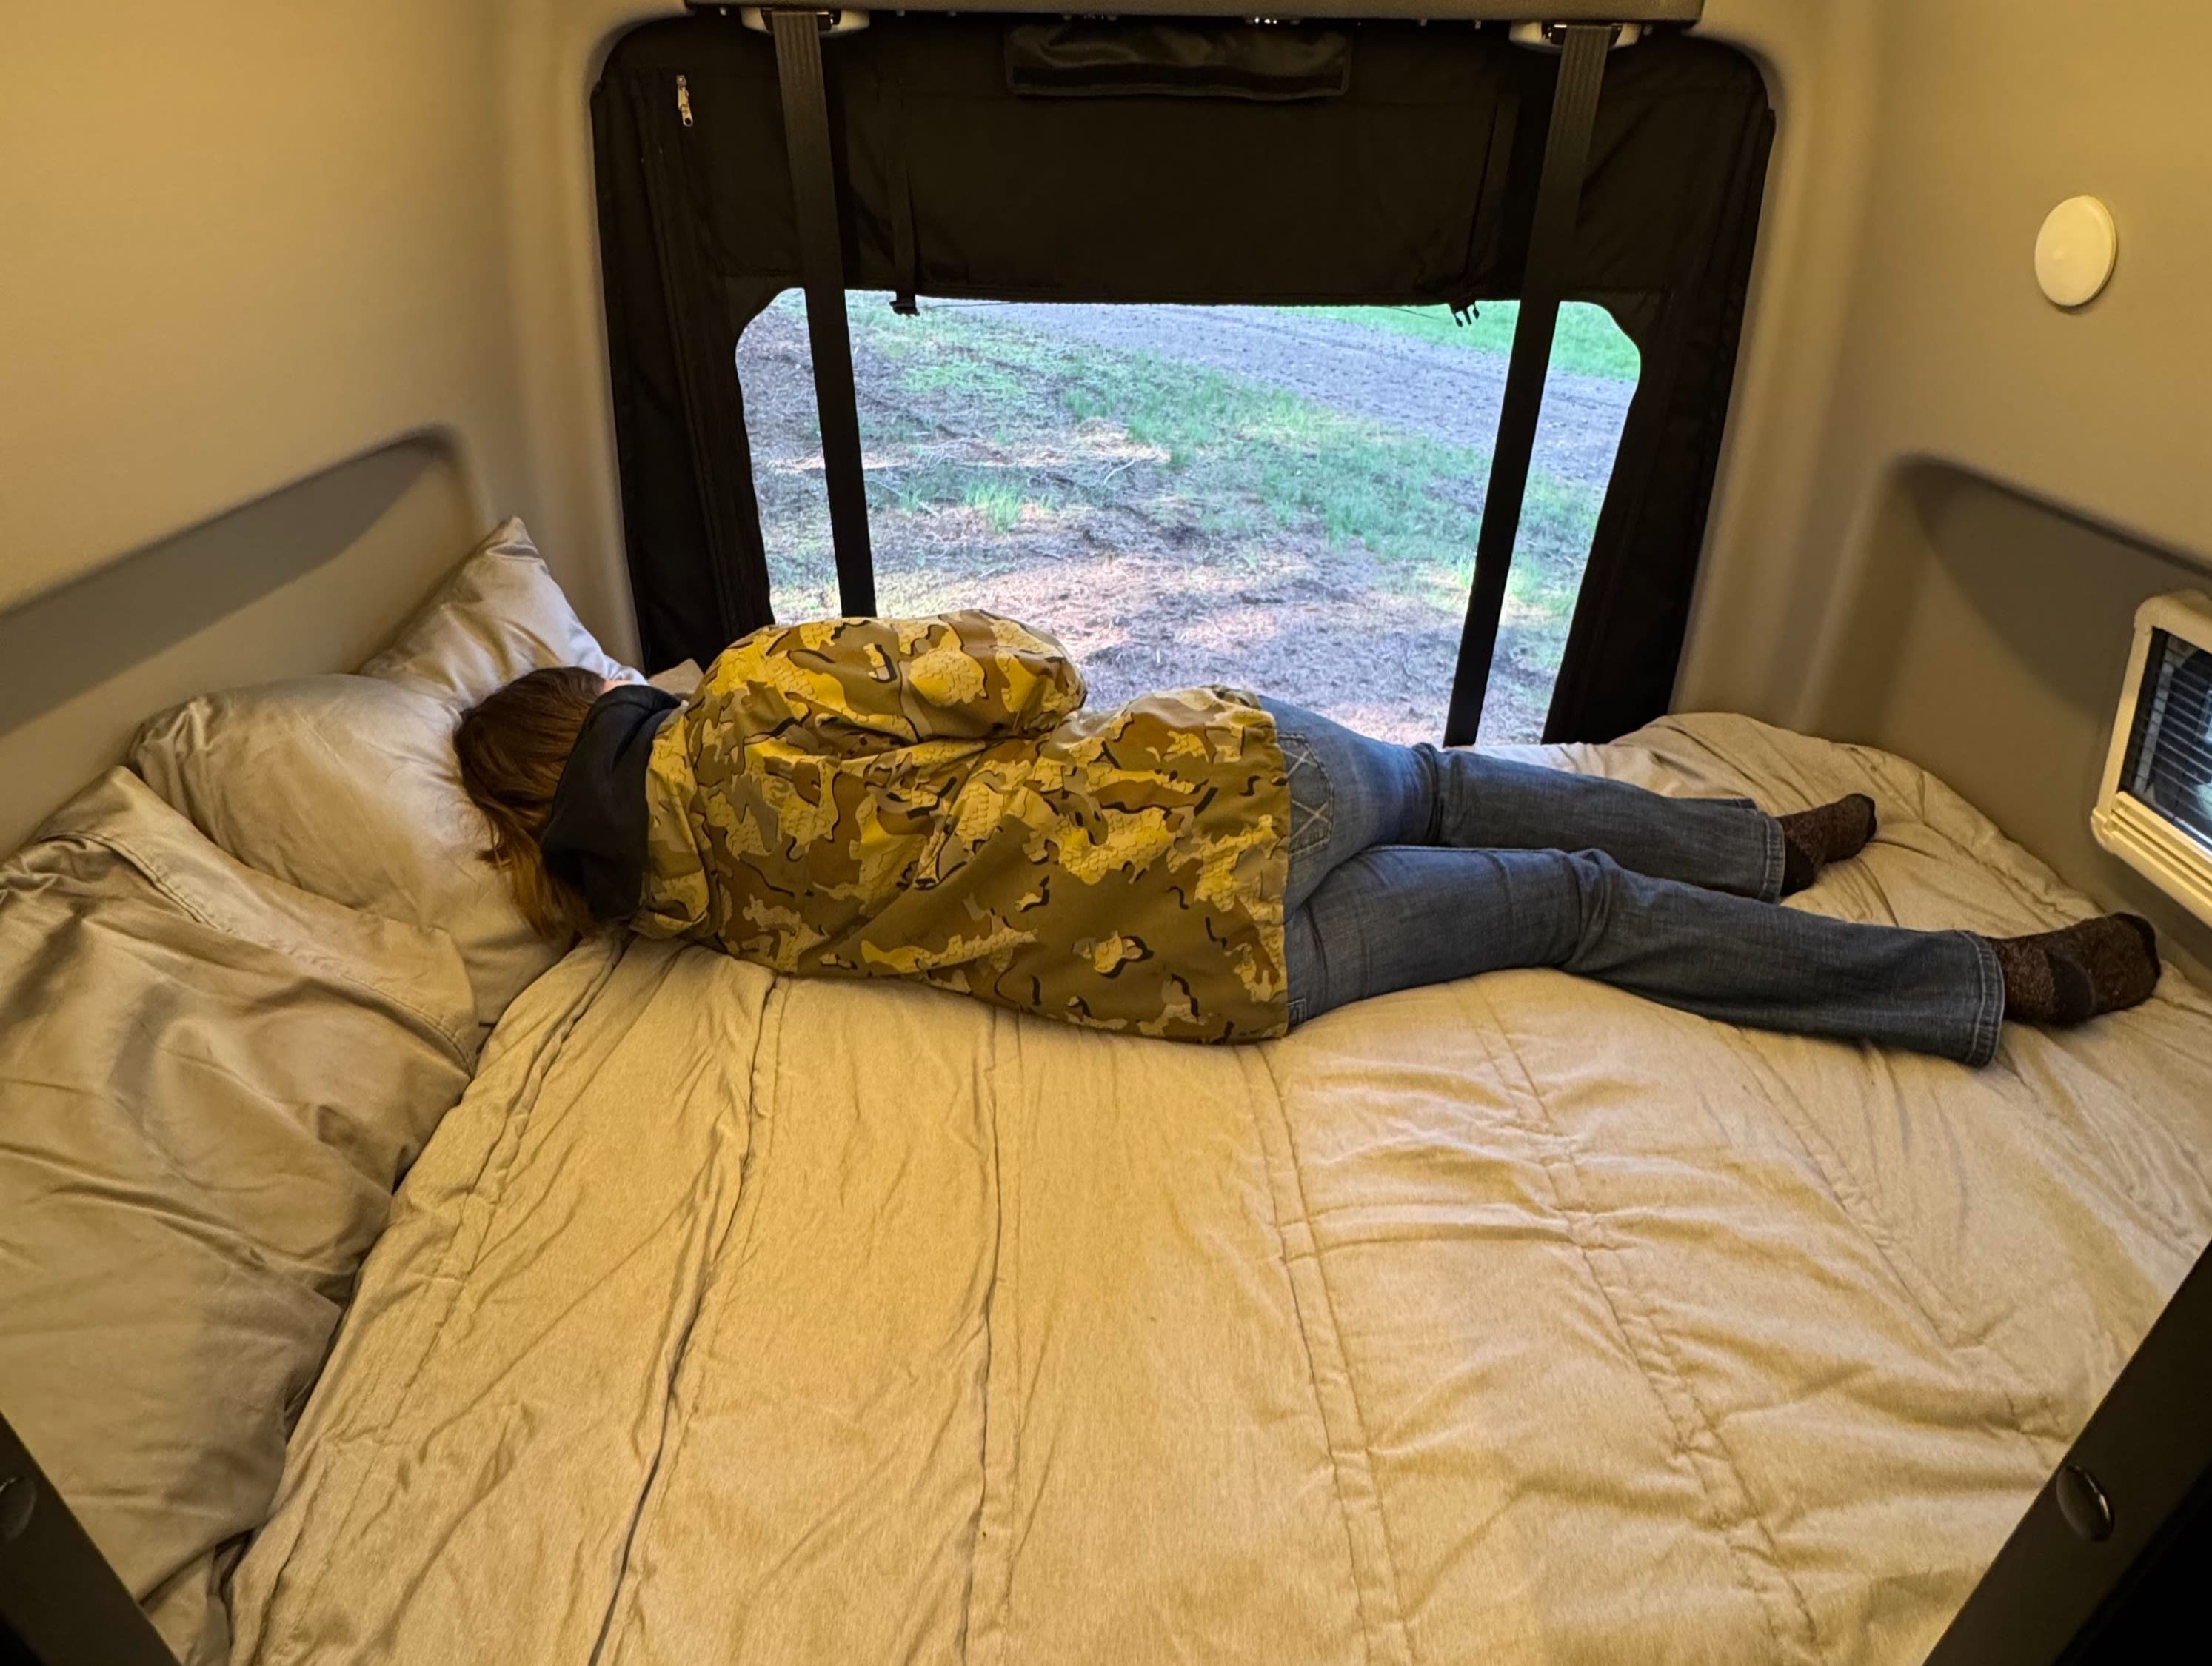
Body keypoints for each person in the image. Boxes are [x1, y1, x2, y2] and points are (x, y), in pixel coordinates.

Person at [452, 611, 2159, 1063]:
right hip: (1227, 792)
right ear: (591, 703)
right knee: (1440, 779)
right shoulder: (753, 688)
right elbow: (1026, 667)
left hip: (1209, 974)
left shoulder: (661, 917)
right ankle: (1753, 848)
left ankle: (1980, 984)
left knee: (1563, 907)